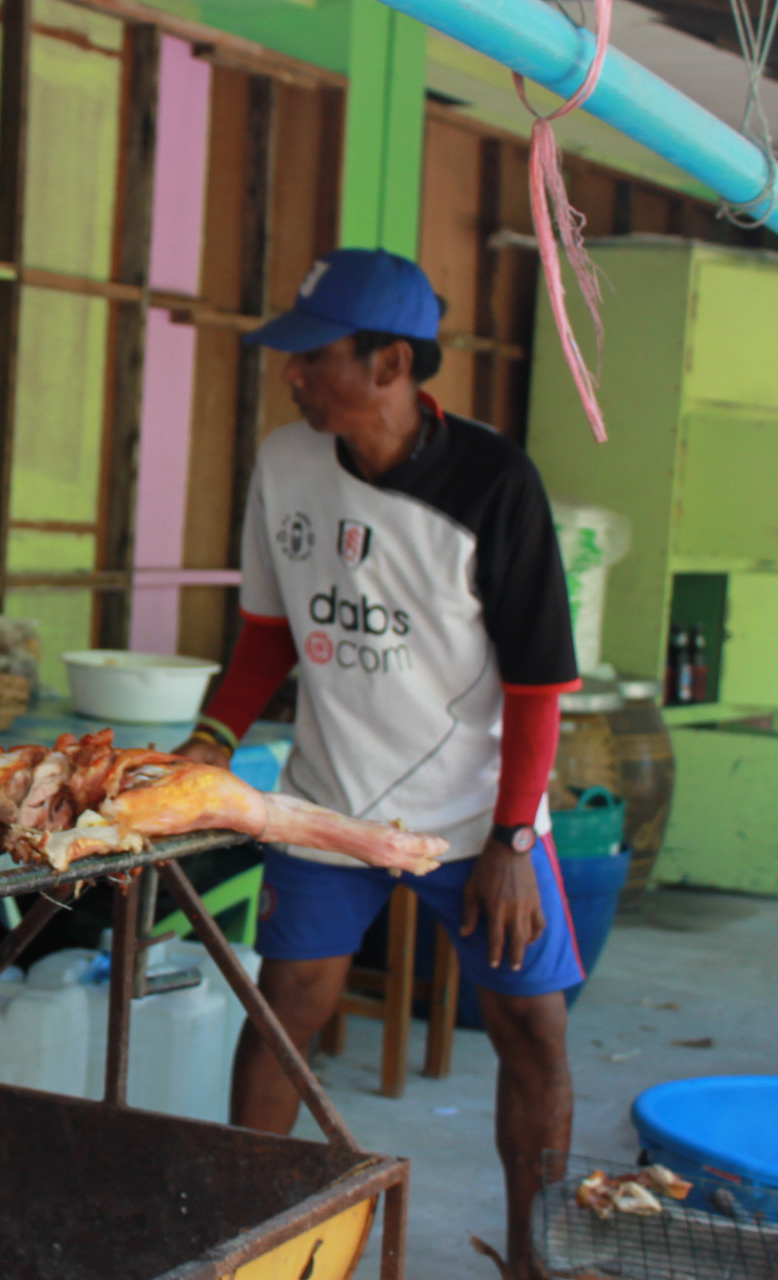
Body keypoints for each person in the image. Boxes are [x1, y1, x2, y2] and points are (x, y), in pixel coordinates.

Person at [176, 248, 579, 1280]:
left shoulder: (496, 483)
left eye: (314, 356)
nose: (293, 376)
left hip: (479, 817)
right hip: (331, 799)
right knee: (286, 1011)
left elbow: (538, 684)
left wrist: (512, 838)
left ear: (391, 363)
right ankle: (250, 1243)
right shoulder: (286, 461)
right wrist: (212, 738)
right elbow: (269, 633)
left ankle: (535, 1257)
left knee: (533, 1028)